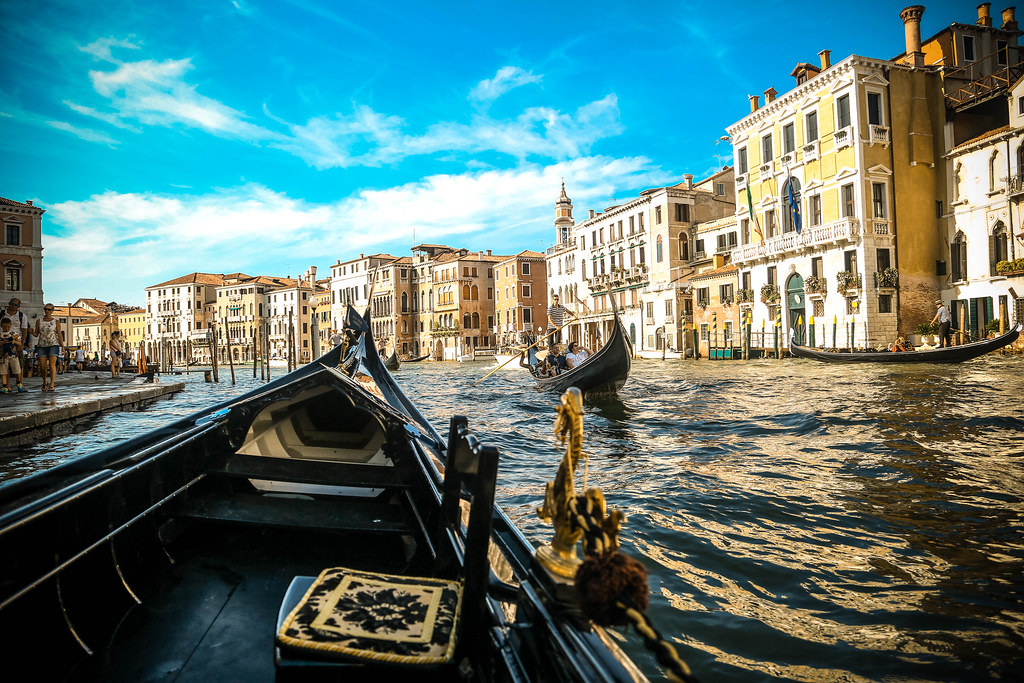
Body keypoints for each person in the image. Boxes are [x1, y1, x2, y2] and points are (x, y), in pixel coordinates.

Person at [34, 304, 65, 391]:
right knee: (42, 367)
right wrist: (32, 332)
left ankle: (52, 384)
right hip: (42, 345)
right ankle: (44, 381)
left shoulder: (56, 322)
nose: (47, 311)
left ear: (52, 311)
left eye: (49, 309)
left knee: (52, 365)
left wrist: (62, 346)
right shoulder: (39, 321)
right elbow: (36, 334)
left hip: (53, 344)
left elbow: (59, 335)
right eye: (45, 309)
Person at [1, 298, 30, 392]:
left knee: (19, 364)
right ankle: (7, 386)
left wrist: (22, 343)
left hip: (17, 341)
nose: (13, 305)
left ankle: (20, 384)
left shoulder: (22, 316)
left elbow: (24, 330)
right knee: (5, 365)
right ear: (9, 304)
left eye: (16, 304)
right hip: (3, 341)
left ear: (19, 306)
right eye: (12, 303)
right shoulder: (1, 314)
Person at [0, 318, 23, 393]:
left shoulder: (13, 334)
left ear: (10, 326)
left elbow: (20, 343)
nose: (6, 328)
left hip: (13, 354)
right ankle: (4, 385)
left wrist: (14, 342)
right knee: (3, 371)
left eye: (8, 326)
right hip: (3, 355)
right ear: (1, 326)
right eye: (4, 327)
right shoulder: (0, 334)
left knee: (16, 369)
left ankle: (18, 382)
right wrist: (3, 343)